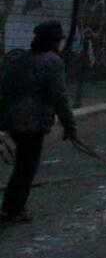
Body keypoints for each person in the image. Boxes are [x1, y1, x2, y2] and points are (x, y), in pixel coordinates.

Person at [0, 21, 78, 223]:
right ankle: (13, 209)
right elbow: (59, 96)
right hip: (32, 123)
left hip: (9, 119)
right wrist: (69, 125)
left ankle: (12, 206)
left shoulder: (16, 59)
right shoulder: (53, 62)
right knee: (26, 167)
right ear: (54, 42)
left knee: (22, 165)